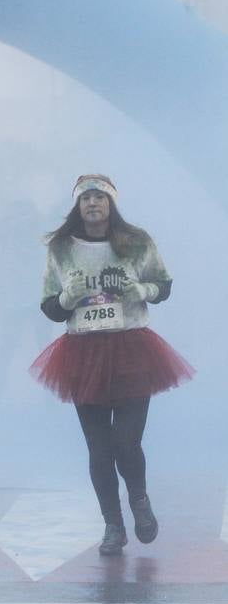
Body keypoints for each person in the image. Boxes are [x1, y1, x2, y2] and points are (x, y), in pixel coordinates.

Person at [30, 174, 192, 557]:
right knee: (99, 448)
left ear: (111, 204)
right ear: (76, 206)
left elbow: (164, 284)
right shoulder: (61, 249)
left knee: (126, 442)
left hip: (132, 347)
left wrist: (145, 290)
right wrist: (67, 298)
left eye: (99, 197)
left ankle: (139, 499)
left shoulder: (136, 242)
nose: (92, 204)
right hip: (83, 352)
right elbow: (49, 306)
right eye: (85, 198)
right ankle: (112, 525)